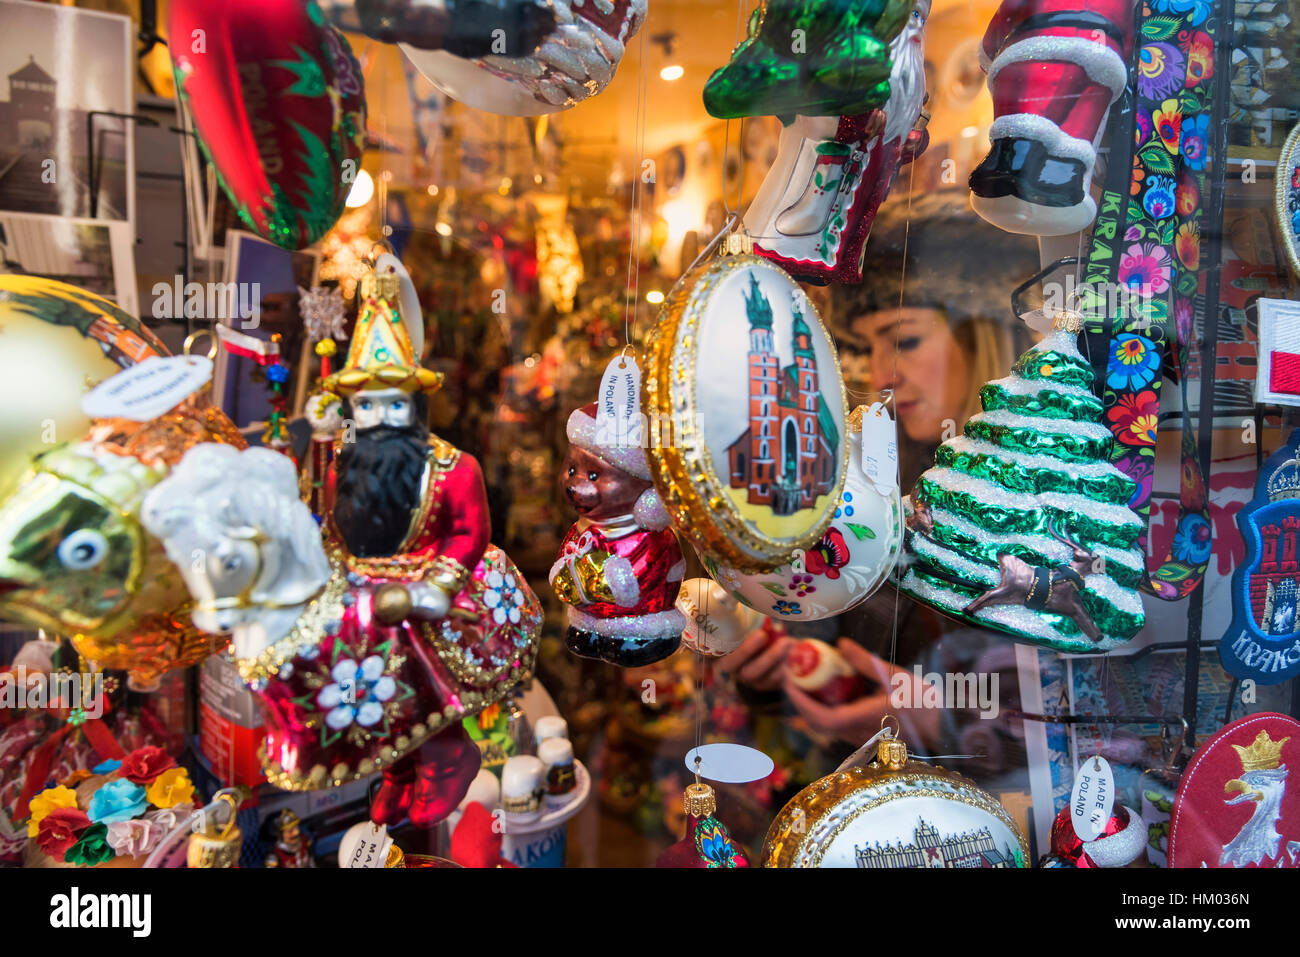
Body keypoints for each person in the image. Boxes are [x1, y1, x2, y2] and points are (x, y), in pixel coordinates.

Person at [719, 194, 1039, 767]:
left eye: (907, 340)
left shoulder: (1040, 492)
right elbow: (837, 633)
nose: (879, 372)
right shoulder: (876, 477)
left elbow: (1071, 706)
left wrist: (943, 720)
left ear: (985, 334)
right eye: (865, 349)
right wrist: (780, 663)